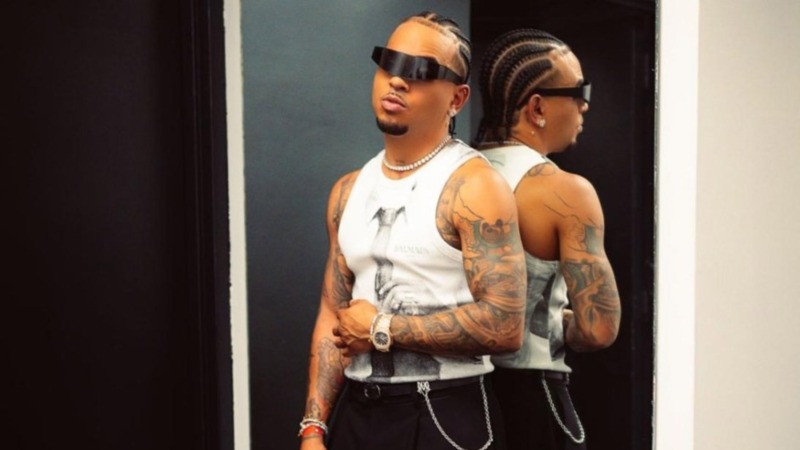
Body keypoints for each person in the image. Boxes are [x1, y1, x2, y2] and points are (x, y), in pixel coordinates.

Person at [298, 11, 527, 450]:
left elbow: (505, 325)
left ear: (457, 98)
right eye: (390, 63)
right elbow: (332, 313)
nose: (398, 80)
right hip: (357, 412)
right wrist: (313, 427)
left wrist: (382, 328)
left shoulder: (474, 186)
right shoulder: (348, 191)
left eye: (421, 71)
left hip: (444, 412)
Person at [473, 29, 622, 450]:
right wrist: (563, 322)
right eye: (579, 92)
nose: (585, 105)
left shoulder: (454, 176)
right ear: (537, 107)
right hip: (529, 398)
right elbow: (599, 329)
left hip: (456, 402)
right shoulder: (565, 192)